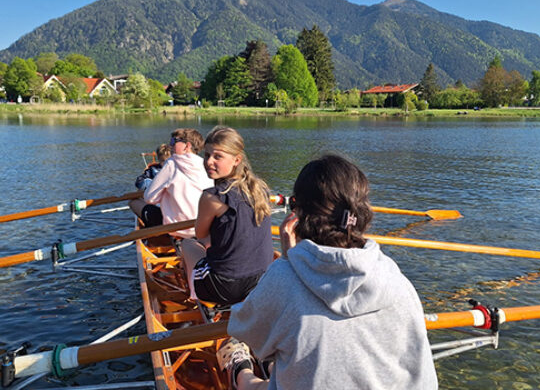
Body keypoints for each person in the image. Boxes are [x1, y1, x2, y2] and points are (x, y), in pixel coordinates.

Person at [220, 154, 438, 389]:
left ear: (297, 215)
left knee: (251, 383)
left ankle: (240, 370)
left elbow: (243, 328)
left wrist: (289, 259)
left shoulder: (283, 277)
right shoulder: (394, 277)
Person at [178, 126, 274, 304]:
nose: (209, 162)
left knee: (188, 243)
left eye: (218, 156)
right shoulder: (261, 189)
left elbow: (200, 234)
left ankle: (195, 295)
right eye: (207, 155)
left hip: (225, 287)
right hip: (263, 282)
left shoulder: (211, 197)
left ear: (237, 160)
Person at [129, 128, 213, 239]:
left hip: (177, 229)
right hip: (203, 227)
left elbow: (150, 198)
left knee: (134, 202)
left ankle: (156, 236)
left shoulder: (172, 163)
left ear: (187, 146)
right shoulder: (206, 164)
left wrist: (164, 195)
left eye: (174, 141)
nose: (170, 145)